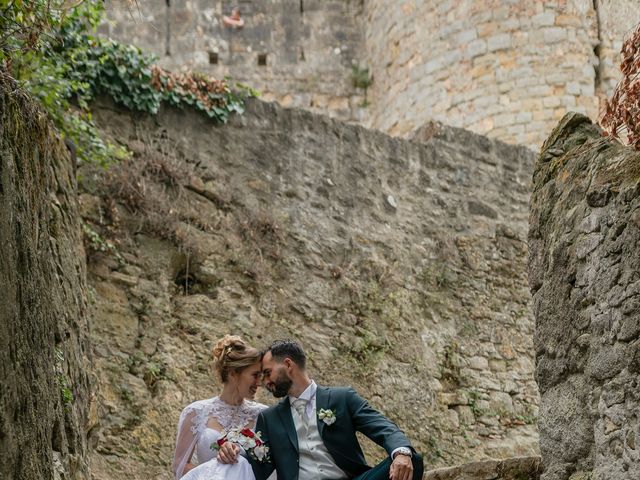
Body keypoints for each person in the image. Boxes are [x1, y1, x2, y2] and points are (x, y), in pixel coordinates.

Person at [218, 339, 424, 480]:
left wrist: (401, 453)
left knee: (412, 459)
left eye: (268, 373)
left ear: (288, 364)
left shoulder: (342, 398)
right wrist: (235, 452)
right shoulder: (269, 418)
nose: (265, 381)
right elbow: (259, 467)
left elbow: (383, 427)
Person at [172, 335, 265, 480]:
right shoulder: (195, 412)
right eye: (255, 375)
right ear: (234, 373)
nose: (259, 382)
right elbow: (180, 465)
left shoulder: (263, 415)